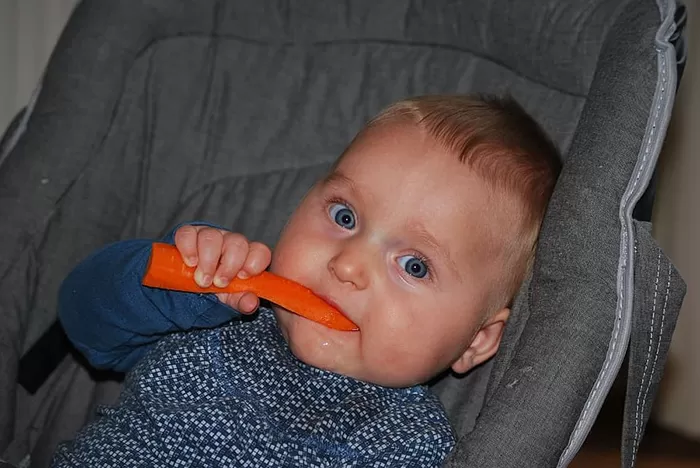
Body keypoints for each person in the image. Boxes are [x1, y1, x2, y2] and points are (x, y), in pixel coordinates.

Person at [51, 94, 561, 467]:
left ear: (476, 341)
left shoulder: (411, 447)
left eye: (414, 265)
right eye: (344, 217)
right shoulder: (216, 310)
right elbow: (82, 320)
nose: (348, 265)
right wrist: (175, 283)